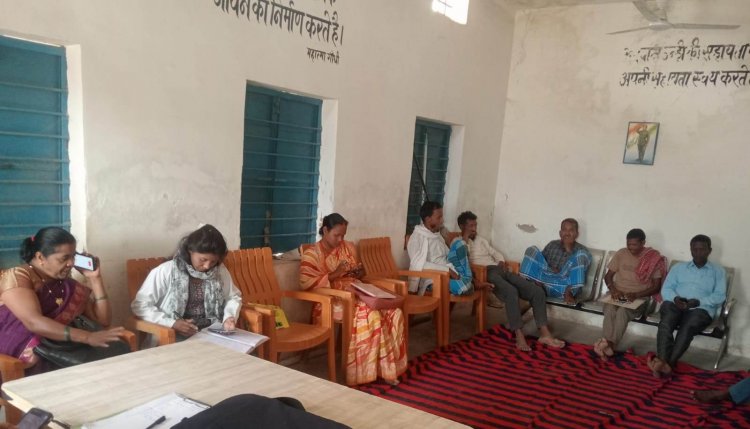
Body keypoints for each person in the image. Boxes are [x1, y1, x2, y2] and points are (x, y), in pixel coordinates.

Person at [0, 227, 127, 374]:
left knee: (116, 357)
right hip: (19, 352)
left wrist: (95, 279)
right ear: (40, 257)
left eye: (73, 256)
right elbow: (33, 322)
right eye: (64, 258)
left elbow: (103, 320)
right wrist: (87, 337)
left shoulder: (67, 285)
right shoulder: (19, 276)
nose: (71, 263)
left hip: (58, 348)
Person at [300, 213, 406, 386]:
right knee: (370, 315)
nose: (340, 240)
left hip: (357, 292)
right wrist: (336, 274)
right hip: (331, 300)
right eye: (337, 235)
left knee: (394, 312)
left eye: (343, 235)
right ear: (325, 230)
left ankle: (386, 368)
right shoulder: (312, 254)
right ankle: (363, 372)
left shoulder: (348, 247)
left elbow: (358, 274)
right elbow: (306, 283)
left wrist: (359, 272)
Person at [458, 211, 564, 351]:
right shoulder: (458, 243)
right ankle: (519, 335)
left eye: (475, 225)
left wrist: (501, 261)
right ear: (462, 226)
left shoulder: (481, 240)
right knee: (511, 291)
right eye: (470, 226)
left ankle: (544, 334)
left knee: (537, 291)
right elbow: (462, 262)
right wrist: (465, 239)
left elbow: (494, 253)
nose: (474, 229)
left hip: (499, 269)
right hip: (485, 272)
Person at [131, 224, 241, 340]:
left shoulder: (219, 271)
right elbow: (140, 305)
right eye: (203, 260)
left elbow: (233, 297)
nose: (207, 266)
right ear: (190, 251)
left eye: (213, 261)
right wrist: (172, 323)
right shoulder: (166, 271)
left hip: (211, 332)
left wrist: (229, 317)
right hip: (171, 335)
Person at [648, 234, 726, 377]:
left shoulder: (718, 271)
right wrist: (675, 298)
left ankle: (667, 363)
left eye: (702, 249)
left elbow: (720, 296)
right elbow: (666, 289)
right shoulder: (679, 268)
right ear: (690, 250)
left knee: (687, 327)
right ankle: (664, 362)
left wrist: (699, 302)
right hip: (675, 304)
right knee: (666, 323)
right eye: (694, 249)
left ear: (709, 250)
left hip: (701, 309)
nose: (698, 253)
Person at [593, 228, 665, 361]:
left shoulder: (653, 258)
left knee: (622, 312)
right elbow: (608, 276)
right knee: (610, 309)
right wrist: (613, 290)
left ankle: (609, 344)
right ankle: (608, 346)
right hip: (618, 294)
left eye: (634, 244)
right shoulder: (621, 253)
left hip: (640, 298)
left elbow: (656, 287)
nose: (631, 247)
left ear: (643, 243)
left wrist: (636, 295)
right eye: (628, 244)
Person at [519, 218, 592, 304]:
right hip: (546, 284)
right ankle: (538, 288)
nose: (567, 233)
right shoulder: (552, 244)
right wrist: (550, 269)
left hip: (564, 287)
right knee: (532, 250)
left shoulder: (581, 250)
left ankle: (568, 293)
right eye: (564, 230)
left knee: (582, 254)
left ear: (576, 234)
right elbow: (540, 263)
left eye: (571, 230)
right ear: (560, 233)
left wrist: (568, 248)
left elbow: (580, 274)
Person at [407, 201, 473, 296]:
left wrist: (453, 268)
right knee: (465, 287)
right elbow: (419, 264)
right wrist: (447, 270)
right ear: (428, 219)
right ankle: (468, 283)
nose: (442, 221)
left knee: (460, 244)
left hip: (448, 273)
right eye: (439, 217)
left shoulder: (436, 235)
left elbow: (448, 255)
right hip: (432, 279)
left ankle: (469, 282)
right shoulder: (417, 238)